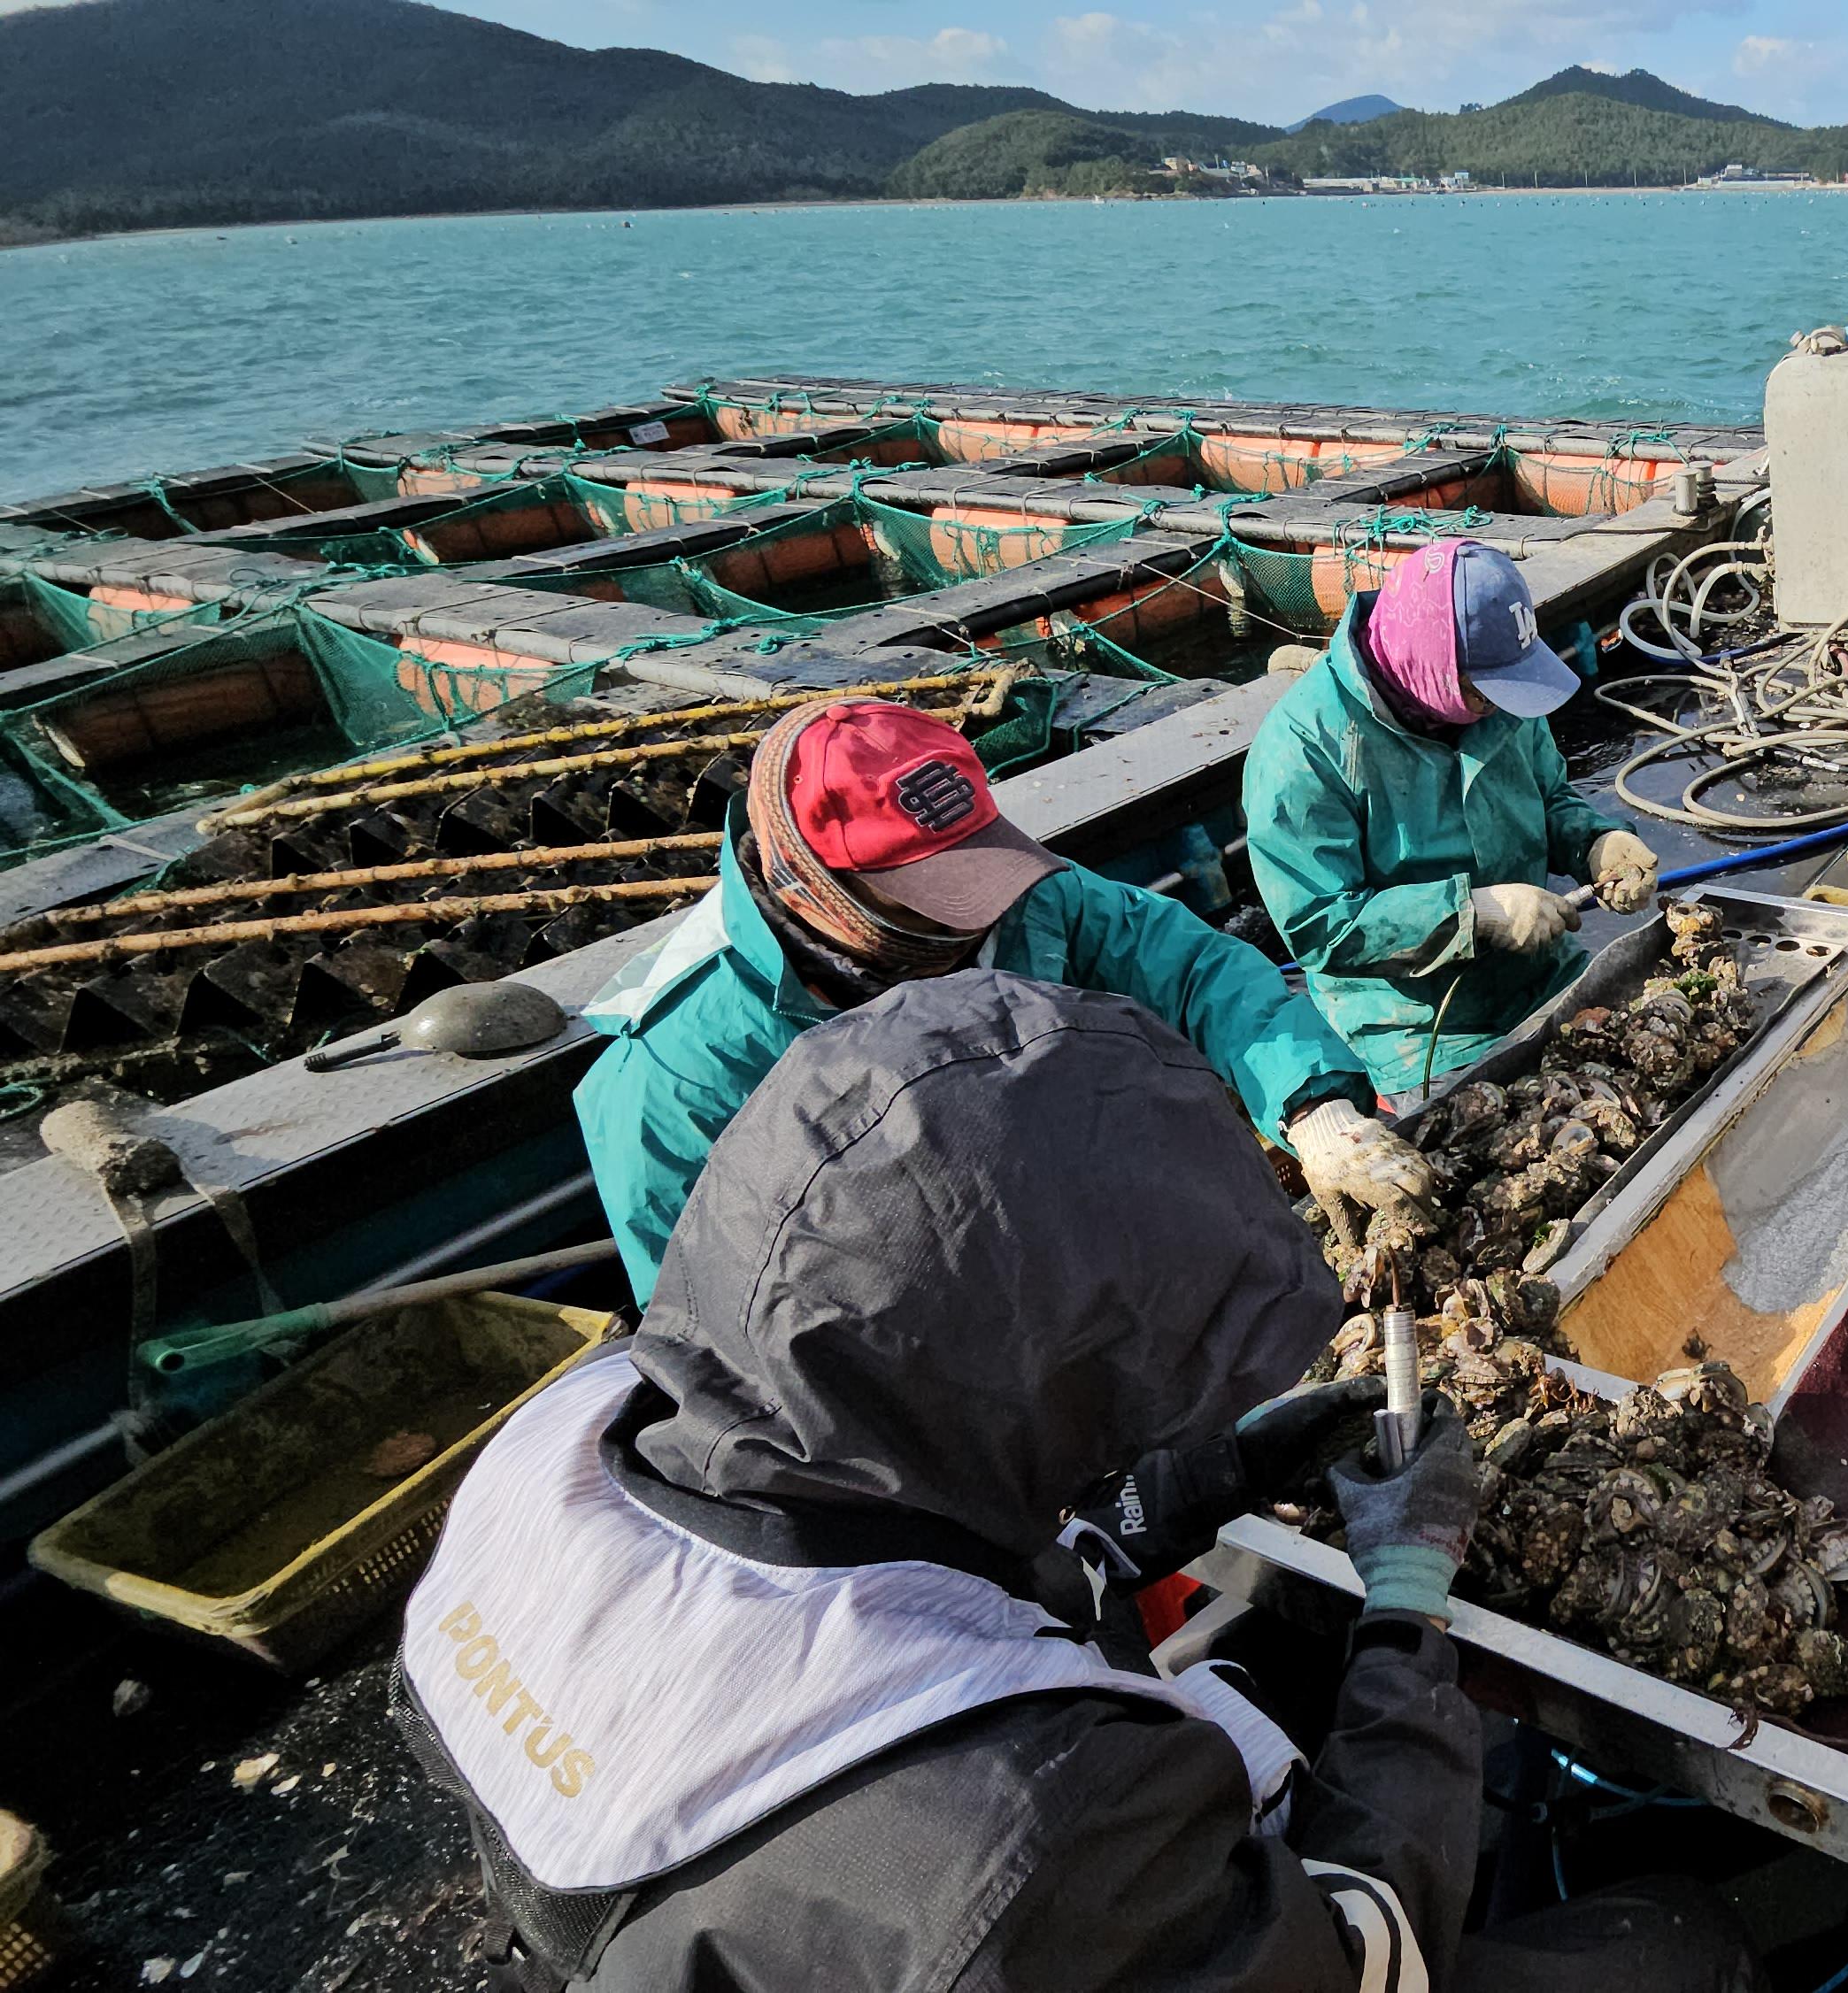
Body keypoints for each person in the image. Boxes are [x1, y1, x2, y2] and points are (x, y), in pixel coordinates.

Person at [401, 973, 1759, 1991]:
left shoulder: (572, 1442)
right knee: (1680, 1946)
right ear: (1025, 1376)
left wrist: (1207, 1474)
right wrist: (1406, 1611)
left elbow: (881, 1567)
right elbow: (1356, 1951)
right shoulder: (1025, 1813)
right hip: (1010, 1933)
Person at [573, 694, 1424, 1299]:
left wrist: (1315, 1105)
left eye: (979, 865)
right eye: (938, 889)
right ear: (814, 889)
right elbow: (709, 1321)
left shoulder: (1026, 893)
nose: (982, 908)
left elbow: (1192, 966)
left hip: (1068, 1227)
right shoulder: (677, 1070)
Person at [1246, 538, 1662, 1101]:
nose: (1498, 704)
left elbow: (1550, 798)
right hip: (1416, 1026)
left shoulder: (1504, 704)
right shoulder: (1304, 749)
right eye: (1483, 689)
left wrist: (1596, 843)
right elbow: (1320, 926)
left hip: (1537, 974)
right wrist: (1473, 913)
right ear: (1430, 666)